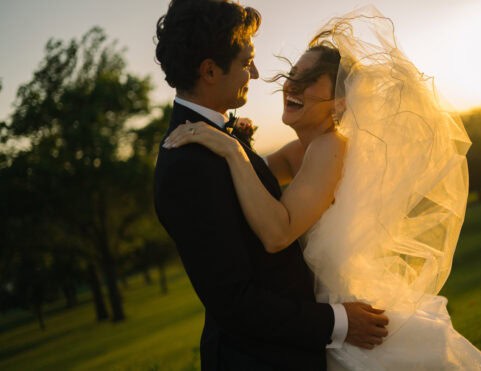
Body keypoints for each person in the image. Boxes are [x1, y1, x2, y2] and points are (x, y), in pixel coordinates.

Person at [163, 5, 481, 370]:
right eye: (292, 74)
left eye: (308, 81)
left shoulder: (330, 148)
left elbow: (277, 230)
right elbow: (255, 184)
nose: (283, 82)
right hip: (298, 332)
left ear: (340, 102)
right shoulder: (283, 152)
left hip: (337, 315)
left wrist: (232, 149)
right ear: (209, 70)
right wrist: (235, 146)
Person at [153, 1, 389, 370]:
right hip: (259, 359)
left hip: (300, 344)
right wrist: (339, 322)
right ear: (210, 70)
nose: (258, 72)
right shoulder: (187, 164)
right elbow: (236, 302)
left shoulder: (219, 142)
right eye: (247, 61)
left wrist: (233, 148)